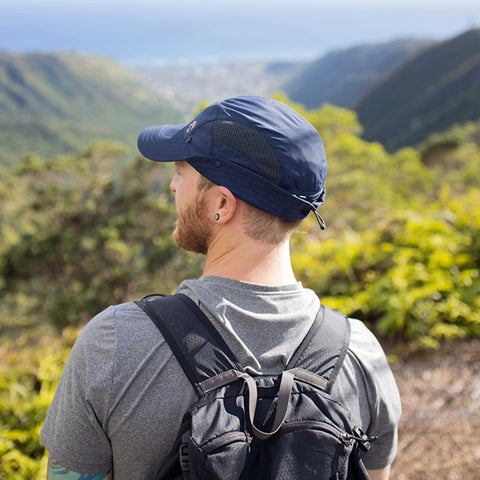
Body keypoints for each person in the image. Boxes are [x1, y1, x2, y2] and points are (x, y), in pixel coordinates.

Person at [41, 96, 401, 480]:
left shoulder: (115, 344)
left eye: (183, 171)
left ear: (221, 205)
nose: (172, 185)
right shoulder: (362, 358)